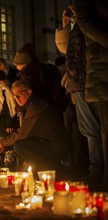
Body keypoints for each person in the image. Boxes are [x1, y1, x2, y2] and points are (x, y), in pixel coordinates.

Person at [55, 4, 101, 185]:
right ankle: (95, 168)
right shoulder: (78, 27)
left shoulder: (89, 23)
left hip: (89, 81)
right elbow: (65, 48)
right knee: (88, 129)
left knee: (93, 129)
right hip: (80, 83)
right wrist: (66, 25)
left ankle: (97, 169)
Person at [0, 80, 71, 174]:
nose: (16, 98)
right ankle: (38, 171)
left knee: (19, 146)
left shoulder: (36, 107)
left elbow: (23, 133)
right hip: (47, 143)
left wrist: (2, 143)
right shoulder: (29, 106)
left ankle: (49, 169)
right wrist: (5, 146)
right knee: (18, 146)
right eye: (14, 95)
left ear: (29, 92)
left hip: (55, 147)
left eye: (19, 94)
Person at [73, 0, 108, 190]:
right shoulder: (85, 11)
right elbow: (87, 27)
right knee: (100, 132)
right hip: (101, 77)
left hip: (99, 76)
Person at [0, 70, 18, 167]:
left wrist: (10, 123)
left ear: (0, 82)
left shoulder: (6, 91)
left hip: (6, 125)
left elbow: (10, 108)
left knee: (6, 144)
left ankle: (8, 165)